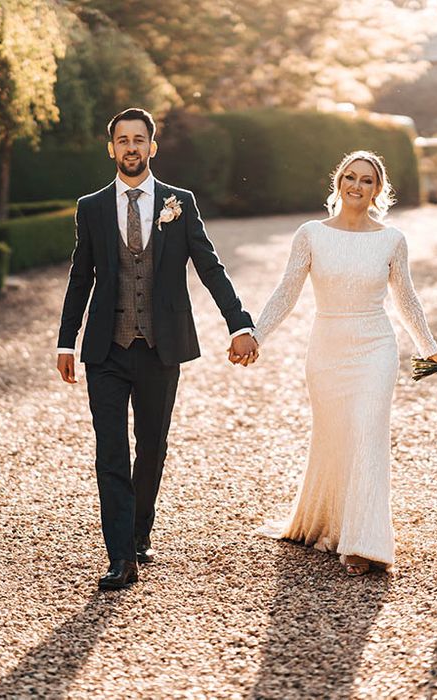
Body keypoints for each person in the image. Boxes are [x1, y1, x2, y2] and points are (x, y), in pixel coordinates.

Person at [56, 107, 259, 590]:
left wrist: (240, 325)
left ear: (152, 146)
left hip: (160, 347)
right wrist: (67, 340)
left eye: (139, 139)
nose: (131, 147)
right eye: (122, 140)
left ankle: (139, 530)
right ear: (111, 149)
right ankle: (120, 556)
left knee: (151, 447)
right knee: (110, 452)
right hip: (105, 348)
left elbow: (211, 268)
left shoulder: (179, 203)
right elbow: (80, 276)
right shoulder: (93, 206)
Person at [252, 150, 437, 576]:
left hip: (376, 348)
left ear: (379, 190)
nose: (356, 186)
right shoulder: (311, 234)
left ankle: (366, 542)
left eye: (366, 180)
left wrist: (431, 348)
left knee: (367, 432)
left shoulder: (391, 240)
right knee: (335, 437)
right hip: (327, 350)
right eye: (350, 177)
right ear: (338, 182)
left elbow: (407, 299)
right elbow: (286, 292)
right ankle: (328, 521)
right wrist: (256, 334)